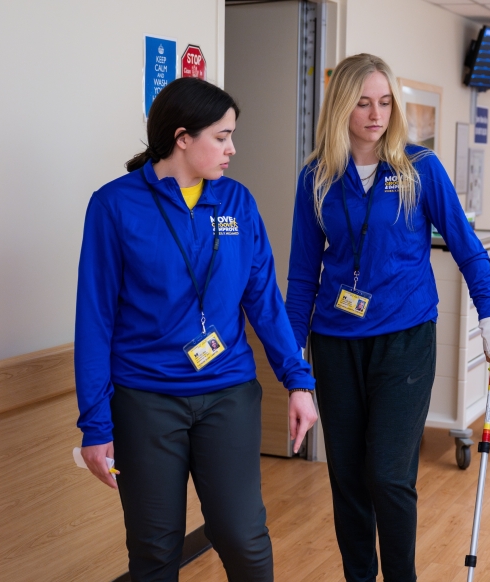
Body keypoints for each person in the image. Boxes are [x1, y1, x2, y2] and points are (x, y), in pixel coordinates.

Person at [74, 77, 318, 582]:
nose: (233, 148)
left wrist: (298, 380)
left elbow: (264, 302)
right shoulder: (114, 206)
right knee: (154, 549)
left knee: (240, 534)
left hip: (227, 392)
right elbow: (94, 320)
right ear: (183, 137)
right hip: (145, 401)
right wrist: (95, 424)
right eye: (222, 136)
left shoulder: (237, 203)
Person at [285, 53, 490, 582]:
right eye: (362, 102)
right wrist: (293, 358)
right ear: (341, 106)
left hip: (405, 340)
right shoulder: (315, 179)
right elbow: (301, 278)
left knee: (387, 475)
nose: (375, 114)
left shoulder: (418, 169)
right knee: (347, 478)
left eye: (385, 101)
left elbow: (468, 249)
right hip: (335, 342)